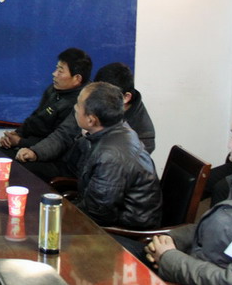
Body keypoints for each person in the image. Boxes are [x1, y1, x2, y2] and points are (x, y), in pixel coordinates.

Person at [144, 102, 232, 285]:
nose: (229, 145)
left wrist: (170, 258)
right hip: (190, 268)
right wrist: (171, 239)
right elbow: (208, 230)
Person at [16, 62, 155, 181]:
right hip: (65, 161)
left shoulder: (143, 134)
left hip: (85, 178)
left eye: (105, 95)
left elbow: (107, 178)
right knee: (17, 168)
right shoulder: (90, 102)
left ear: (126, 97)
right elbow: (64, 134)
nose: (96, 98)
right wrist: (36, 152)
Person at [67, 82, 162, 229]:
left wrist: (63, 213)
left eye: (78, 105)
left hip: (123, 232)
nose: (75, 107)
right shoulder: (119, 129)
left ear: (91, 120)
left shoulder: (110, 157)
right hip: (108, 220)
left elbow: (98, 214)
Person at [0, 47, 92, 153]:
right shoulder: (53, 90)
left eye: (60, 71)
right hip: (28, 145)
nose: (54, 74)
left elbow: (58, 141)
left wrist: (20, 142)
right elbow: (36, 116)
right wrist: (16, 134)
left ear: (77, 78)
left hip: (47, 154)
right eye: (56, 69)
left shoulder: (81, 103)